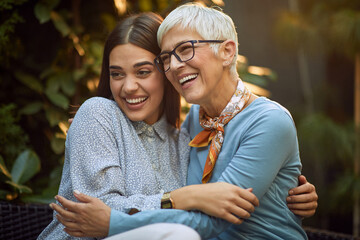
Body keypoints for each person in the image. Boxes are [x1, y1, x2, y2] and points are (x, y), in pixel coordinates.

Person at [47, 6, 318, 240]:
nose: (175, 65)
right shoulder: (194, 124)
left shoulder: (263, 122)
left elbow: (216, 219)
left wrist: (113, 221)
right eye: (167, 58)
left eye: (185, 50)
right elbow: (93, 209)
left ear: (227, 52)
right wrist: (186, 197)